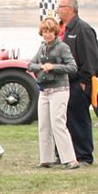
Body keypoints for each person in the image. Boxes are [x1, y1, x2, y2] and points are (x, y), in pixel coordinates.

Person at [27, 16, 80, 170]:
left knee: (58, 123)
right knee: (43, 125)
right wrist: (41, 67)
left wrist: (54, 67)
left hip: (59, 90)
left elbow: (72, 67)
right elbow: (30, 65)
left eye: (50, 31)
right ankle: (46, 159)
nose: (47, 34)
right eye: (45, 31)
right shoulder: (42, 48)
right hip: (44, 91)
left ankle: (70, 160)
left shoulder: (62, 47)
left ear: (55, 32)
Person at [57, 0, 98, 165]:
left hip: (78, 82)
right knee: (64, 119)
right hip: (62, 82)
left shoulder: (83, 29)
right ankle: (66, 154)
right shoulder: (60, 28)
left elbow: (91, 57)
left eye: (61, 6)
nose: (58, 9)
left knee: (79, 119)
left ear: (71, 9)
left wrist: (83, 80)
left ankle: (84, 155)